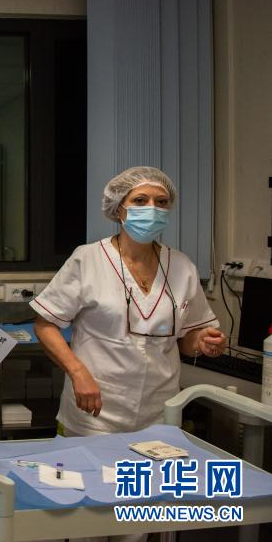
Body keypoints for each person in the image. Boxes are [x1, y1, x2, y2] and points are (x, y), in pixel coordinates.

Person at [32, 166, 226, 438]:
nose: (152, 209)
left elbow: (187, 339)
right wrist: (77, 372)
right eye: (140, 200)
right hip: (95, 411)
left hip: (159, 411)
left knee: (150, 466)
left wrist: (204, 342)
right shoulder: (88, 259)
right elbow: (45, 325)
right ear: (119, 208)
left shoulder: (182, 267)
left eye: (161, 202)